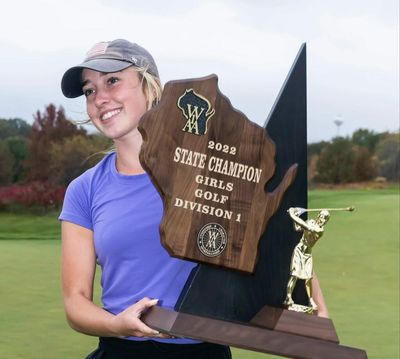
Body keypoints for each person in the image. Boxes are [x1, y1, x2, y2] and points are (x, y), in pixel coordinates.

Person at [59, 39, 231, 359]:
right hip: (120, 350)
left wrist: (314, 326)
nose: (100, 98)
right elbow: (75, 301)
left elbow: (278, 246)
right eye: (89, 90)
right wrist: (118, 325)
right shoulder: (83, 190)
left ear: (149, 86)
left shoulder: (211, 170)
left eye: (112, 80)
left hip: (201, 352)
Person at [283, 207, 330, 316]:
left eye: (325, 219)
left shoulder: (320, 230)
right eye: (322, 217)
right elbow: (298, 227)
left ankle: (310, 300)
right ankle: (288, 297)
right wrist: (296, 215)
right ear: (318, 216)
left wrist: (292, 215)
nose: (322, 220)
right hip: (299, 250)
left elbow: (306, 227)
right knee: (294, 275)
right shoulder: (311, 222)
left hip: (307, 254)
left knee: (308, 278)